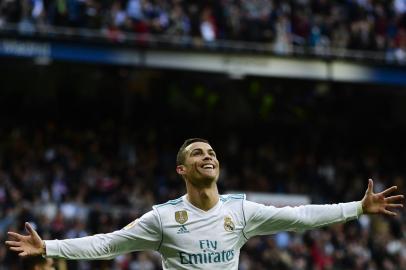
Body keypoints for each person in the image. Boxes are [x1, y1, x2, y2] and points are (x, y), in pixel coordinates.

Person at [5, 138, 404, 269]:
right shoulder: (162, 218)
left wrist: (356, 207)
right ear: (182, 169)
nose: (207, 155)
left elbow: (300, 217)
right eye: (197, 153)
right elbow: (109, 243)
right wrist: (49, 248)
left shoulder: (241, 212)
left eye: (211, 151)